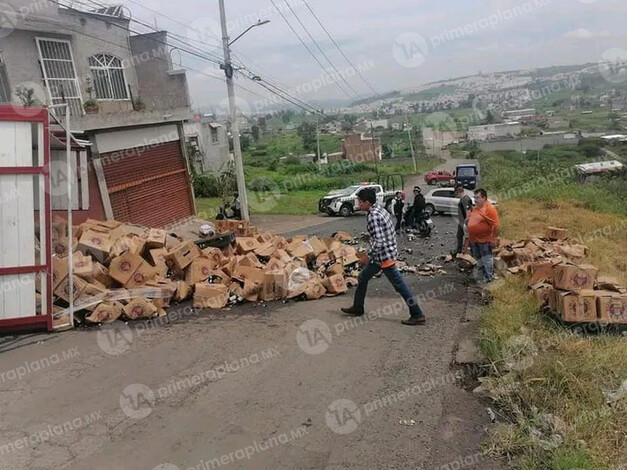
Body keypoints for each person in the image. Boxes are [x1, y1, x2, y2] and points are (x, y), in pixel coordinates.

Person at [341, 188, 426, 325]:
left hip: (383, 256)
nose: (358, 204)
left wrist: (367, 257)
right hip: (383, 254)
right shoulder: (378, 210)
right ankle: (358, 307)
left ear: (367, 202)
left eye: (360, 201)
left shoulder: (374, 216)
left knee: (400, 286)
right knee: (362, 278)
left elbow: (379, 241)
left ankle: (417, 313)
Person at [467, 188, 499, 283]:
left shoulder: (490, 209)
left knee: (487, 259)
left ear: (484, 198)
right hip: (475, 239)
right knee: (479, 259)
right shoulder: (476, 208)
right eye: (474, 197)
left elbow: (496, 225)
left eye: (477, 197)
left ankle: (489, 278)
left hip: (484, 240)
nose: (475, 199)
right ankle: (481, 277)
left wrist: (493, 239)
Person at [454, 183, 473, 254]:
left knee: (467, 237)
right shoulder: (464, 199)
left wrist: (466, 222)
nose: (456, 194)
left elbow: (468, 211)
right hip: (462, 221)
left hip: (465, 222)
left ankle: (470, 251)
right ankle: (460, 250)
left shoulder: (465, 199)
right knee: (459, 235)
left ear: (458, 191)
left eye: (456, 192)